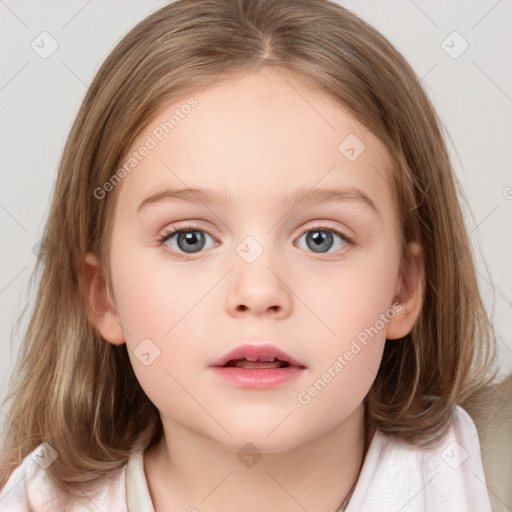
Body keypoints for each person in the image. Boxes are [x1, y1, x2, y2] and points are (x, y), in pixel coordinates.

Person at [0, 0, 501, 510]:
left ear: (404, 288)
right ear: (103, 294)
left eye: (321, 238)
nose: (258, 292)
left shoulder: (485, 476)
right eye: (189, 238)